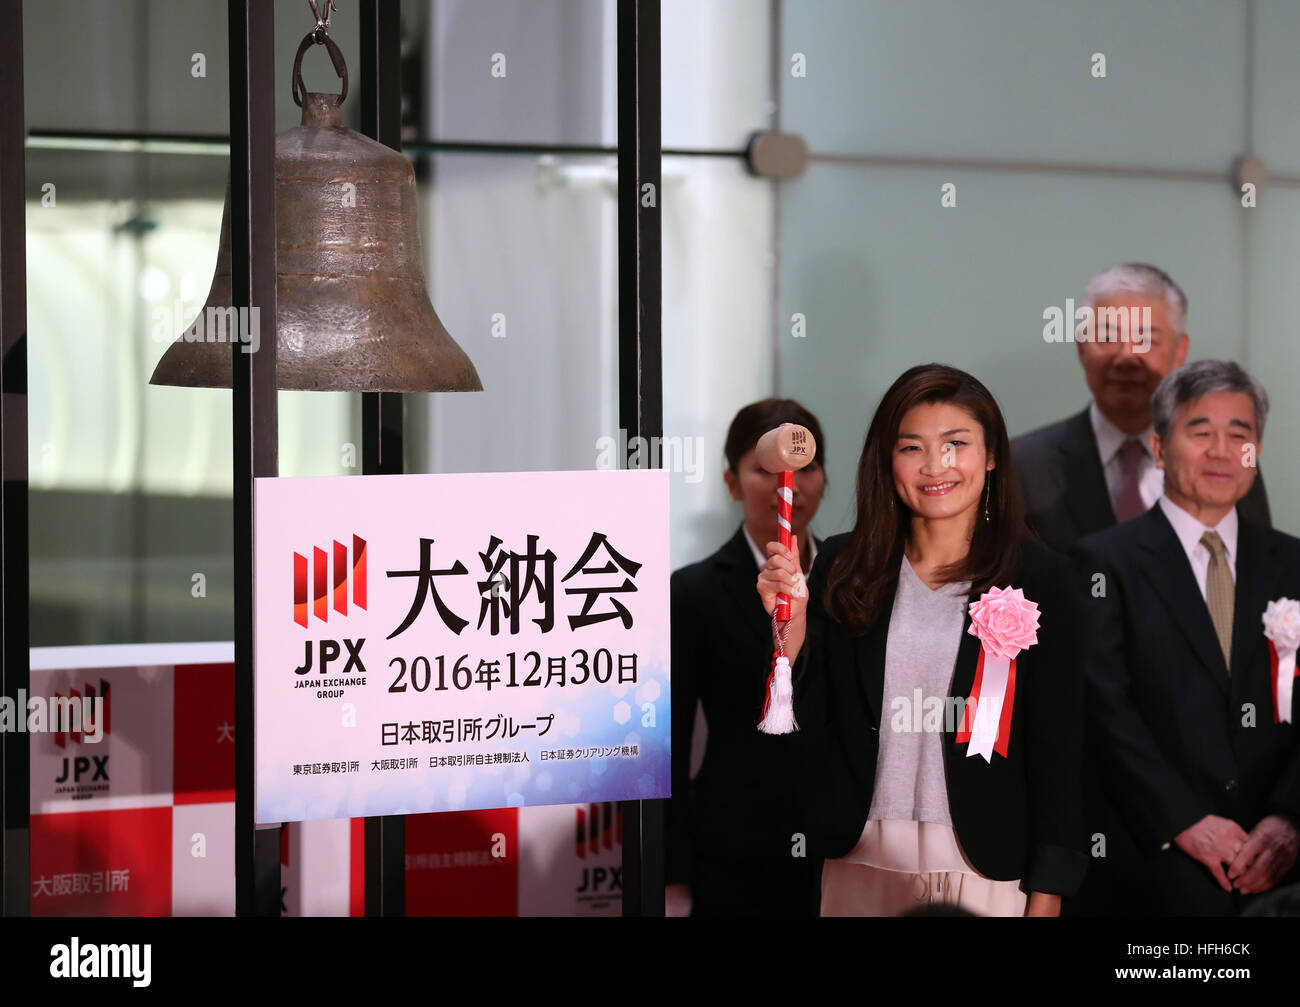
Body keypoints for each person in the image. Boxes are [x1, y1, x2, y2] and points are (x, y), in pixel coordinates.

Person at [758, 364, 1087, 916]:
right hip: (860, 858)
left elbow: (1060, 749)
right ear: (887, 460)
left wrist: (1048, 894)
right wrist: (787, 629)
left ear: (990, 455)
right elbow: (810, 720)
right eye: (912, 447)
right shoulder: (844, 563)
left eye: (956, 444)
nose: (935, 466)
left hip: (984, 865)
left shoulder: (1042, 577)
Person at [1071, 360, 1300, 915]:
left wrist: (1290, 818)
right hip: (1154, 863)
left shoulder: (1293, 563)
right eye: (1200, 432)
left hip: (1284, 865)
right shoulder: (1102, 562)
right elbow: (1104, 711)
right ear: (1158, 448)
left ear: (1257, 452)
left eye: (1239, 434)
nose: (1222, 451)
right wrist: (1185, 823)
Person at [666, 399, 828, 916]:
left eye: (806, 467)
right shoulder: (693, 591)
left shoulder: (853, 579)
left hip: (841, 838)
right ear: (732, 483)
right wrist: (671, 869)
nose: (791, 484)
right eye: (766, 470)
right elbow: (670, 739)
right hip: (737, 844)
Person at [1012, 263, 1270, 552]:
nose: (1126, 356)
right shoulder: (1023, 465)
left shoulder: (1225, 457)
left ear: (1179, 351)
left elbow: (1257, 568)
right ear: (1082, 348)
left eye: (1146, 338)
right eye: (1107, 337)